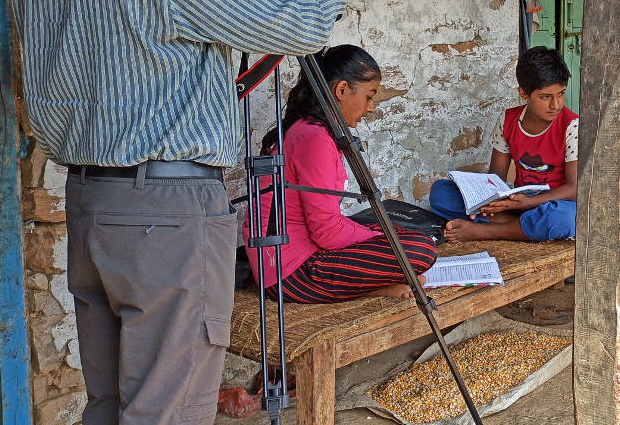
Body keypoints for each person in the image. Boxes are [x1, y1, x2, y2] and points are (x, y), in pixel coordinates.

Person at [12, 0, 350, 425]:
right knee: (168, 417)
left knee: (113, 405)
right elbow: (306, 21)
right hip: (168, 210)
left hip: (89, 202)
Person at [247, 45, 437, 302]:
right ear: (342, 90)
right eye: (369, 96)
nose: (371, 108)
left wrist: (382, 236)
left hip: (300, 255)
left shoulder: (313, 130)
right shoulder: (315, 140)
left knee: (402, 233)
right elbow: (328, 232)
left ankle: (378, 281)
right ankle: (375, 286)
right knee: (420, 249)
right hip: (292, 273)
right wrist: (379, 239)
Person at [430, 46, 579, 242]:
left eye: (561, 93)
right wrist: (488, 203)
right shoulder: (508, 120)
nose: (556, 104)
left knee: (566, 217)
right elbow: (495, 178)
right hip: (516, 206)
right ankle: (520, 227)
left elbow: (575, 187)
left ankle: (486, 231)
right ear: (524, 93)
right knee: (440, 192)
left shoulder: (572, 126)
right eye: (545, 96)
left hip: (552, 205)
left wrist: (528, 203)